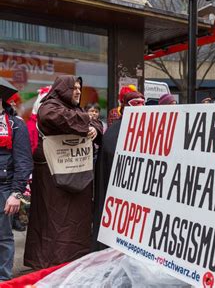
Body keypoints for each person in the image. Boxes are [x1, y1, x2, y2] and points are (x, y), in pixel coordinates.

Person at [24, 75, 103, 270]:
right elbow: (54, 118)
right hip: (53, 180)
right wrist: (88, 120)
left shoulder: (76, 109)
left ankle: (73, 263)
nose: (77, 91)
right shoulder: (49, 106)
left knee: (77, 224)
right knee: (54, 225)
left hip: (78, 176)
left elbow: (96, 124)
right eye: (73, 87)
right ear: (62, 89)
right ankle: (50, 265)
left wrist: (94, 129)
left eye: (79, 88)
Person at [92, 91, 145, 251]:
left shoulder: (149, 130)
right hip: (117, 195)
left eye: (143, 103)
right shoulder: (114, 132)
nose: (141, 108)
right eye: (136, 104)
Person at [0, 97, 33, 281]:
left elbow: (24, 162)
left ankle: (2, 279)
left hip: (4, 188)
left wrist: (16, 193)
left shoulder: (16, 125)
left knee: (3, 237)